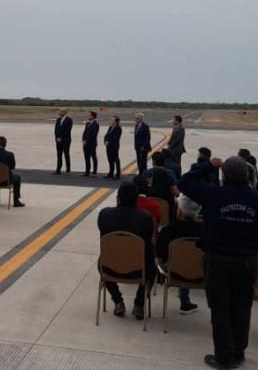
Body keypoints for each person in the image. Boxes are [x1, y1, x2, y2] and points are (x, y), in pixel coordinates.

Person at [180, 157, 258, 369]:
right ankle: (238, 352)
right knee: (242, 307)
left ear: (223, 176)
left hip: (219, 259)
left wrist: (207, 165)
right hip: (247, 260)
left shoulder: (214, 194)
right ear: (247, 175)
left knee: (220, 309)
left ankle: (224, 356)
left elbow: (185, 183)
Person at [97, 183, 156, 320]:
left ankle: (117, 300)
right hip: (139, 269)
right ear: (137, 200)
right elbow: (149, 242)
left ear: (118, 198)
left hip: (110, 268)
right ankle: (139, 304)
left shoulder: (105, 215)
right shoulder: (146, 218)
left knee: (101, 262)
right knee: (152, 269)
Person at [155, 194, 202, 314]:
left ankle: (184, 298)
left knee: (180, 262)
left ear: (179, 212)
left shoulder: (167, 232)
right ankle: (185, 300)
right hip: (201, 275)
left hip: (174, 273)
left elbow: (159, 257)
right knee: (190, 261)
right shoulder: (205, 234)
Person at [0, 136, 25, 207]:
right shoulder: (10, 155)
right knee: (17, 178)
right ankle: (16, 200)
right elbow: (12, 167)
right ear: (5, 144)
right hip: (6, 180)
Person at [54, 108, 73, 174]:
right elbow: (56, 130)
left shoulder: (69, 120)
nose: (59, 112)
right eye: (59, 111)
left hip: (66, 140)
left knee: (66, 154)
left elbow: (67, 130)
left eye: (61, 111)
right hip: (58, 140)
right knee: (59, 155)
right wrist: (57, 138)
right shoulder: (58, 119)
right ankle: (58, 169)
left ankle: (68, 168)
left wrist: (61, 137)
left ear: (65, 112)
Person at [82, 111, 99, 177]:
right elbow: (84, 133)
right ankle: (87, 171)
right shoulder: (87, 123)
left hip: (92, 144)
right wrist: (83, 139)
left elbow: (93, 135)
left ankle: (94, 172)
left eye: (89, 115)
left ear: (93, 116)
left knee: (93, 158)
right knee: (86, 158)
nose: (88, 116)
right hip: (85, 144)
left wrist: (87, 141)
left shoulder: (96, 124)